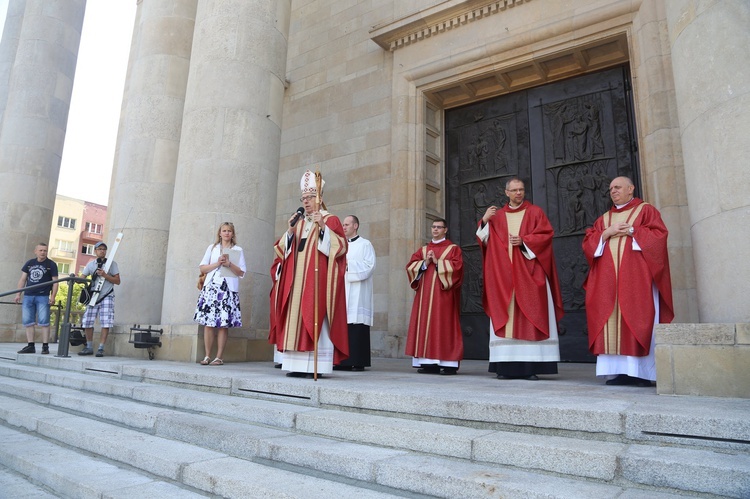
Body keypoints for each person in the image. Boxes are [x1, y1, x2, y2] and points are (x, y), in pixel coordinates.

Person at [582, 176, 674, 387]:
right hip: (607, 282)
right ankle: (618, 372)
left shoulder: (646, 211)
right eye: (611, 188)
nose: (613, 191)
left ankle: (640, 373)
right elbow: (588, 244)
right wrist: (607, 233)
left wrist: (633, 230)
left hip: (636, 280)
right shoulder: (604, 219)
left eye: (618, 187)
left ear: (631, 189)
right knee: (610, 320)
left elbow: (659, 236)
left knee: (637, 317)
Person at [476, 178, 564, 380]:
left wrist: (524, 241)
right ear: (506, 192)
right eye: (514, 190)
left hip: (529, 274)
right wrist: (485, 220)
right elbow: (483, 240)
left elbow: (546, 236)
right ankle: (505, 368)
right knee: (506, 316)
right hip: (503, 278)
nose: (518, 193)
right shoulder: (497, 216)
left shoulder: (535, 212)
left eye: (521, 190)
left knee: (531, 316)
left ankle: (530, 368)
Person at [269, 170, 349, 378]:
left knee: (314, 316)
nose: (306, 202)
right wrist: (288, 231)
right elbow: (281, 251)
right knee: (294, 317)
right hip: (296, 281)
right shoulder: (299, 223)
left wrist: (322, 228)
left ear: (319, 198)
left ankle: (317, 367)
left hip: (316, 281)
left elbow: (340, 248)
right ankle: (295, 365)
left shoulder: (330, 220)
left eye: (310, 197)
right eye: (303, 198)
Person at [405, 218, 464, 375]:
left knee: (443, 325)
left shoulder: (453, 249)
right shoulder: (423, 250)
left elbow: (457, 269)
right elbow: (410, 267)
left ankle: (448, 363)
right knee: (425, 324)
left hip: (443, 296)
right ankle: (427, 362)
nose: (435, 230)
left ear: (445, 230)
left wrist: (438, 262)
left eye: (439, 227)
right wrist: (425, 263)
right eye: (433, 227)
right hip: (424, 296)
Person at [194, 222, 247, 366]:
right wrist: (218, 263)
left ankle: (219, 357)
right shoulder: (212, 248)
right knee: (208, 323)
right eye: (224, 230)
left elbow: (242, 272)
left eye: (229, 231)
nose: (226, 233)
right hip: (211, 288)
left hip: (227, 289)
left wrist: (229, 264)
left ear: (232, 234)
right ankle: (207, 356)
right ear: (220, 233)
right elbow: (203, 268)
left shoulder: (237, 250)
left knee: (223, 324)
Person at [334, 215, 375, 371]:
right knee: (342, 325)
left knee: (356, 326)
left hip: (358, 292)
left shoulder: (365, 244)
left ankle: (358, 361)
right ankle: (341, 361)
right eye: (343, 225)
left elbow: (369, 266)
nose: (343, 227)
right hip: (342, 289)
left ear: (355, 226)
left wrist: (348, 265)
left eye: (347, 224)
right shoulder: (340, 245)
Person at [15, 243, 59, 354]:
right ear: (36, 251)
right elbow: (22, 279)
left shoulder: (51, 264)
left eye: (45, 250)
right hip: (29, 295)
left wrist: (53, 296)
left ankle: (45, 346)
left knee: (44, 322)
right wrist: (18, 294)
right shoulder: (30, 263)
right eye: (41, 250)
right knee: (28, 322)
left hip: (43, 296)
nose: (43, 252)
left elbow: (55, 282)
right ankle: (30, 345)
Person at [78, 242, 120, 357]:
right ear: (95, 251)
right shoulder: (91, 264)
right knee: (87, 321)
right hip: (94, 297)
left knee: (106, 322)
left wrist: (105, 275)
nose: (102, 251)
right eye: (100, 249)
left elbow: (117, 281)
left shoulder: (112, 264)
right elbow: (82, 278)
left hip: (107, 294)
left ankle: (101, 348)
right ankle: (89, 347)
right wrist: (75, 279)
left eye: (104, 249)